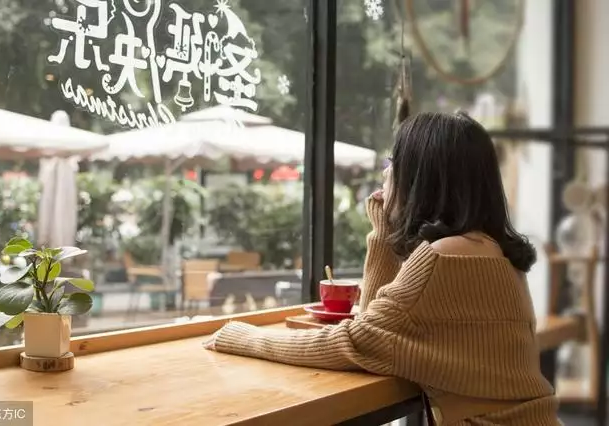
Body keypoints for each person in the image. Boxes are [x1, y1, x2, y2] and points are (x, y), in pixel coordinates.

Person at [203, 111, 561, 425]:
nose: (385, 176)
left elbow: (354, 342)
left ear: (419, 178)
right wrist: (384, 232)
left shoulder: (441, 259)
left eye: (392, 164)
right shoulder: (494, 252)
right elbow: (376, 332)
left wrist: (242, 336)